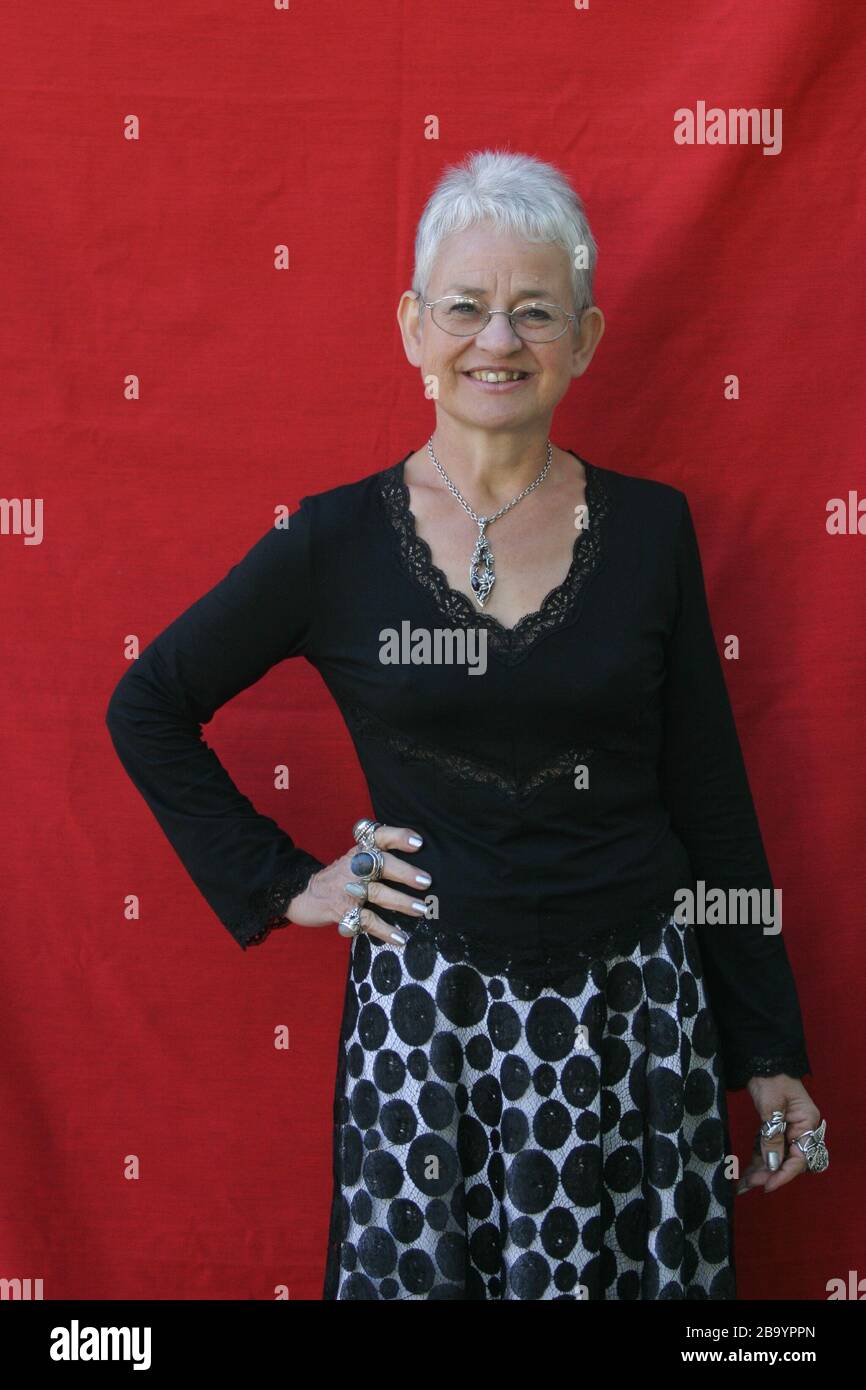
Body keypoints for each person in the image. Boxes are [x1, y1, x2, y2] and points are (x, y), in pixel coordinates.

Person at [105, 149, 826, 1301]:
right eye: (466, 309)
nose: (498, 341)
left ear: (583, 339)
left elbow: (709, 790)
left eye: (534, 312)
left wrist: (769, 1049)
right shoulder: (331, 543)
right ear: (411, 329)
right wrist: (282, 880)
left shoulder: (650, 531)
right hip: (425, 1035)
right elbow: (146, 705)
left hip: (636, 1025)